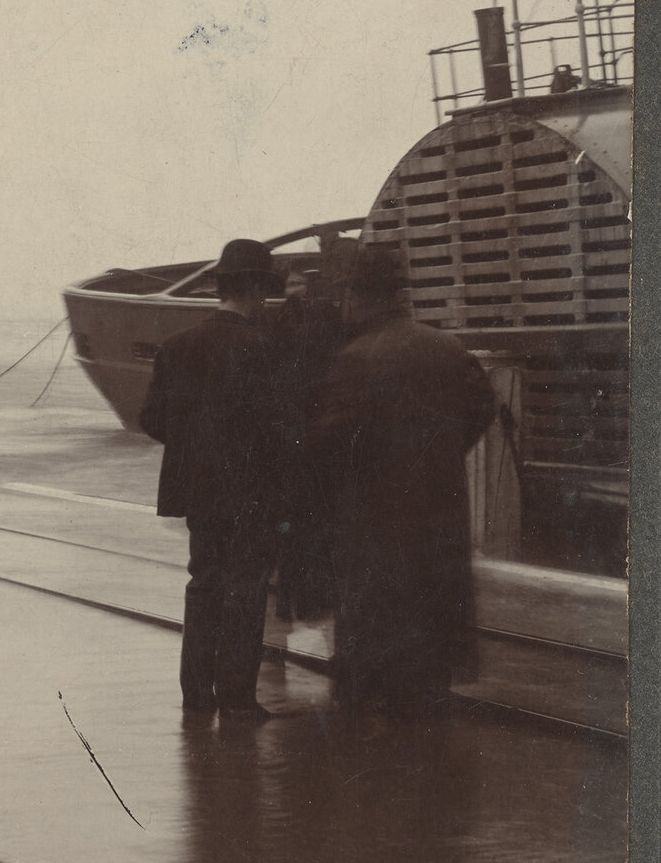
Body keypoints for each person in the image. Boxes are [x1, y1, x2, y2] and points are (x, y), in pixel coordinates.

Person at [309, 248, 498, 717]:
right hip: (439, 509)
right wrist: (442, 454)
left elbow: (332, 440)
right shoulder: (447, 347)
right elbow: (482, 407)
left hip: (374, 517)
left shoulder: (355, 357)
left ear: (358, 296)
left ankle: (371, 716)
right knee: (432, 614)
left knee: (374, 619)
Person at [140, 239, 283, 718]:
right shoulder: (263, 349)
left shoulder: (177, 346)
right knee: (246, 589)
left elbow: (151, 419)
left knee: (204, 583)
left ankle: (197, 695)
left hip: (199, 492)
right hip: (250, 493)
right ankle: (238, 699)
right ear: (256, 290)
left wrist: (194, 450)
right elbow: (278, 430)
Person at [261, 269, 346, 621]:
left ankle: (286, 600)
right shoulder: (326, 321)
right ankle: (312, 597)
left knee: (289, 522)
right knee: (316, 520)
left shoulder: (277, 323)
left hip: (289, 435)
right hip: (317, 435)